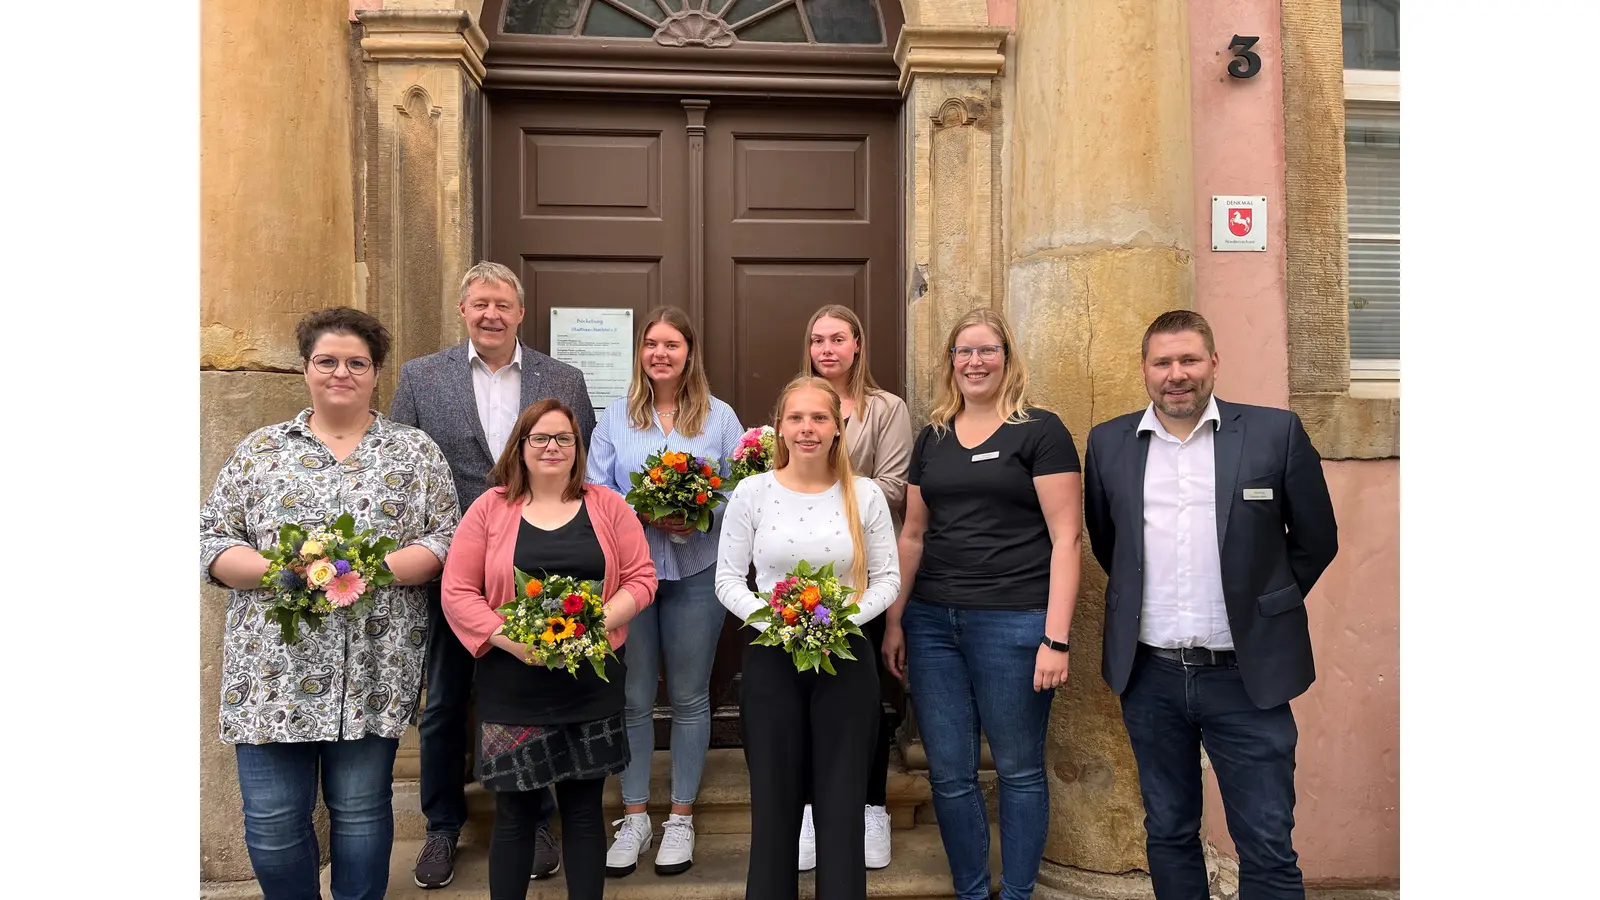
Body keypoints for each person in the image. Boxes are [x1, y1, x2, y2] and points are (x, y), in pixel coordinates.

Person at [200, 307, 460, 900]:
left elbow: (447, 538)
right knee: (271, 822)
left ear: (376, 374)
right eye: (328, 361)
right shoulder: (261, 451)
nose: (341, 372)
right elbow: (212, 539)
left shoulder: (413, 453)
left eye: (356, 363)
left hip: (372, 669)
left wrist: (365, 572)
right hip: (273, 674)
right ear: (306, 369)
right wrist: (289, 573)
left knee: (363, 813)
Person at [1082, 310, 1338, 900]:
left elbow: (1316, 539)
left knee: (1267, 844)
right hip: (1151, 677)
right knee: (1169, 833)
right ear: (1144, 370)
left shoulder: (1275, 433)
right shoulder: (1109, 442)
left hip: (1247, 677)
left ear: (1214, 363)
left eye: (1189, 360)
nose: (1177, 374)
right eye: (1163, 362)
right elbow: (1109, 541)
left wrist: (1265, 607)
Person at [391, 261, 596, 888]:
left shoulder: (562, 378)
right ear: (463, 309)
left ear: (521, 312)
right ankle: (442, 825)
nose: (491, 314)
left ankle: (535, 817)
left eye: (502, 304)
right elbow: (403, 467)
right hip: (450, 566)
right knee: (446, 702)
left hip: (540, 569)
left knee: (530, 696)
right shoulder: (421, 377)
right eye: (479, 303)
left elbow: (579, 465)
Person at [880, 307, 1081, 900]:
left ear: (1007, 357)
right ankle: (972, 892)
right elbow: (912, 534)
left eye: (987, 350)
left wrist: (1057, 636)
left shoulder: (1040, 431)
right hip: (933, 622)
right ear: (951, 362)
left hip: (1016, 622)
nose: (974, 361)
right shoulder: (933, 437)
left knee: (1018, 771)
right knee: (948, 774)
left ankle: (1016, 893)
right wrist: (896, 620)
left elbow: (1067, 537)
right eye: (964, 352)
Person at [441, 398, 658, 900]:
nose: (552, 447)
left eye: (564, 438)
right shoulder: (490, 507)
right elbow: (457, 590)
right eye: (540, 438)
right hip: (513, 683)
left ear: (578, 448)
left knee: (584, 811)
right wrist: (506, 639)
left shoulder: (608, 505)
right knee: (515, 813)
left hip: (591, 683)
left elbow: (641, 578)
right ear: (520, 446)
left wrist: (598, 623)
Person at [716, 375, 901, 900]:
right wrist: (780, 622)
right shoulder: (753, 493)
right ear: (779, 427)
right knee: (774, 807)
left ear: (838, 428)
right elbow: (727, 579)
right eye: (796, 418)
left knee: (842, 810)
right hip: (772, 660)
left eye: (819, 418)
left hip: (845, 659)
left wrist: (837, 620)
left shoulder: (862, 495)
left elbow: (888, 577)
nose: (807, 429)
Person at [585, 306, 745, 877]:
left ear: (689, 353)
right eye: (651, 344)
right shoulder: (615, 417)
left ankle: (679, 815)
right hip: (633, 576)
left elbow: (741, 493)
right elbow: (597, 492)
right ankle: (633, 816)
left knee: (689, 696)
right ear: (641, 353)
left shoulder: (720, 417)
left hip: (697, 572)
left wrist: (697, 513)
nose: (660, 353)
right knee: (631, 698)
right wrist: (645, 511)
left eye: (671, 345)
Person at [796, 304, 914, 870]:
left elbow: (893, 489)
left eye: (838, 339)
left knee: (861, 700)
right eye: (818, 340)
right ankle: (814, 811)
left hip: (861, 579)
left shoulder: (886, 409)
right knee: (805, 700)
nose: (827, 350)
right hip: (801, 581)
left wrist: (821, 482)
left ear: (858, 345)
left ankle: (870, 806)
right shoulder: (800, 405)